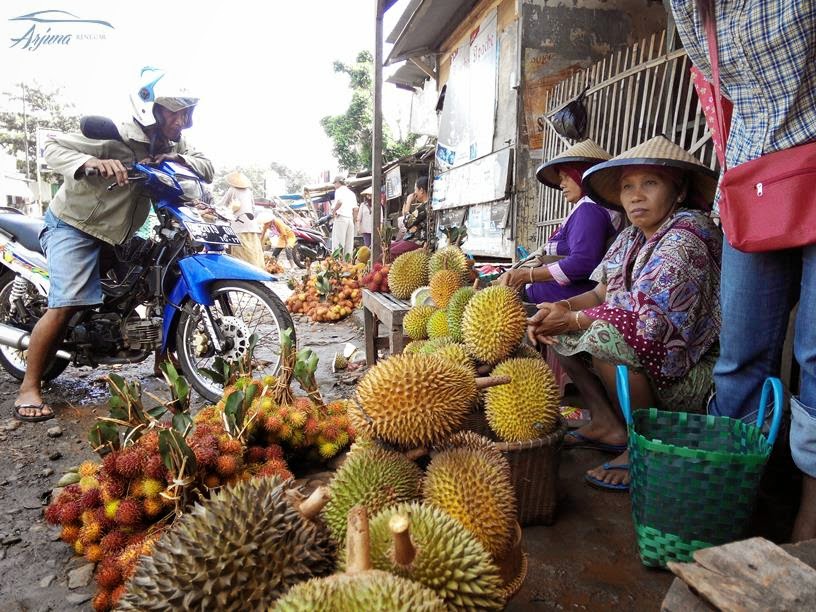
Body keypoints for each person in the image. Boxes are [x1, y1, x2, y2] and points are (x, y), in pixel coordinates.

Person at [670, 0, 816, 541]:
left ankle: (809, 521)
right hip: (754, 180)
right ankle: (732, 498)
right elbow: (716, 93)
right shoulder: (691, 7)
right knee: (740, 356)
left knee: (815, 354)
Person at [12, 67, 213, 422]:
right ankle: (29, 387)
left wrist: (176, 159)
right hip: (75, 226)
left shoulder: (171, 144)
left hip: (117, 233)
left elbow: (207, 166)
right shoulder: (113, 136)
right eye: (175, 112)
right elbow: (52, 146)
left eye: (187, 112)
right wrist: (89, 161)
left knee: (159, 280)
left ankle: (165, 359)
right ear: (151, 108)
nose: (182, 120)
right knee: (67, 302)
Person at [527, 136, 723, 491]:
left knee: (606, 335)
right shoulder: (631, 237)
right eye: (627, 186)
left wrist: (574, 319)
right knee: (557, 329)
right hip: (648, 355)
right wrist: (562, 310)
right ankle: (607, 423)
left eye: (650, 183)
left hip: (692, 370)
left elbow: (648, 316)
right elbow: (601, 292)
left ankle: (644, 451)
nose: (636, 196)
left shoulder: (690, 234)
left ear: (679, 191)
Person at [499, 140, 620, 303]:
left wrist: (528, 275)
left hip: (557, 303)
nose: (561, 184)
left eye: (566, 177)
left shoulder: (590, 208)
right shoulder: (588, 207)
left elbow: (583, 262)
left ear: (582, 174)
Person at [218, 171, 263, 268]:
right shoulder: (249, 192)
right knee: (252, 250)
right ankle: (256, 269)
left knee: (240, 254)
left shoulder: (232, 190)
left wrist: (211, 207)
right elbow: (253, 208)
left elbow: (221, 205)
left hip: (239, 225)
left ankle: (242, 271)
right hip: (252, 225)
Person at [390, 176, 429, 259]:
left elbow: (407, 222)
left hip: (417, 241)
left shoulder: (424, 208)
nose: (414, 193)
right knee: (387, 247)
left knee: (388, 253)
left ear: (421, 190)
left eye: (415, 190)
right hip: (413, 239)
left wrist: (408, 202)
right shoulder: (426, 206)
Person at [330, 176, 358, 259]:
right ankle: (347, 264)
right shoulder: (351, 193)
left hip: (341, 218)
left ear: (338, 182)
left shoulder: (339, 190)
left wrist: (334, 211)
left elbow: (340, 201)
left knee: (338, 244)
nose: (334, 185)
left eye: (335, 183)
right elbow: (356, 209)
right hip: (349, 219)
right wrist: (353, 221)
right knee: (348, 245)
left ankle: (337, 264)